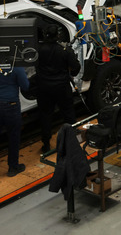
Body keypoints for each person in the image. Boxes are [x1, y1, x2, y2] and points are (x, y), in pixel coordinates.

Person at [36, 25, 81, 153]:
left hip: (44, 88)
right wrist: (70, 75)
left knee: (45, 116)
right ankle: (71, 141)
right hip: (62, 87)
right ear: (58, 35)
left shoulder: (39, 49)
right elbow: (76, 67)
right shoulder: (65, 50)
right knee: (68, 114)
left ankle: (46, 144)